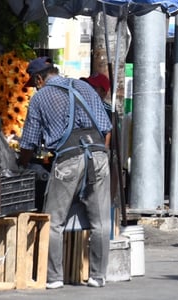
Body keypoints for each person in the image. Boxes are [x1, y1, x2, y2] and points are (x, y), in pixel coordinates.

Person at [19, 57, 113, 288]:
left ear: (39, 78)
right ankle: (98, 276)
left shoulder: (40, 97)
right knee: (101, 221)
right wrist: (102, 155)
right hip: (99, 154)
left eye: (34, 82)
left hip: (69, 158)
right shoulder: (83, 87)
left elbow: (29, 142)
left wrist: (21, 164)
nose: (35, 87)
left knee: (53, 221)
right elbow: (106, 127)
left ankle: (54, 277)